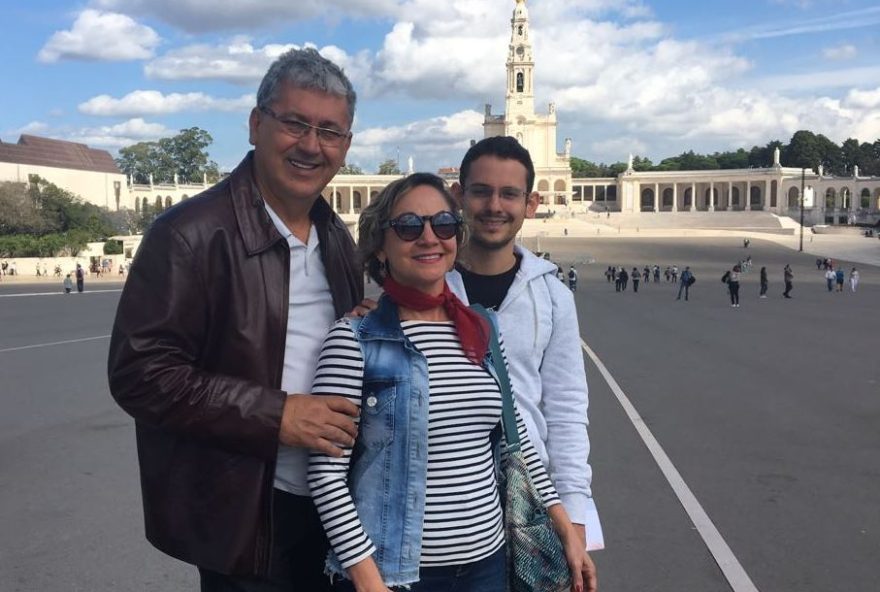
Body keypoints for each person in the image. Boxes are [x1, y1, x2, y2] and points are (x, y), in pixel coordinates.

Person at [107, 48, 364, 590]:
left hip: (334, 503)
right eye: (294, 123)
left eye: (331, 131)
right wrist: (278, 416)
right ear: (255, 124)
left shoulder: (337, 238)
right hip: (247, 511)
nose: (311, 145)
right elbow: (140, 373)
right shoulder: (189, 234)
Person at [308, 173, 596, 592]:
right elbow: (326, 476)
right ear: (381, 247)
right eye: (408, 227)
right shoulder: (354, 339)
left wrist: (567, 529)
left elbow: (518, 448)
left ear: (456, 238)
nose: (429, 237)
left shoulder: (481, 328)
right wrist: (369, 582)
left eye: (443, 224)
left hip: (488, 566)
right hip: (397, 574)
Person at [448, 136, 602, 551]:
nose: (494, 206)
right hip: (443, 504)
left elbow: (566, 408)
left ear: (530, 204)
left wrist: (575, 514)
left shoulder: (554, 297)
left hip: (528, 500)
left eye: (509, 194)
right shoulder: (426, 286)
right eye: (481, 192)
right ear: (458, 196)